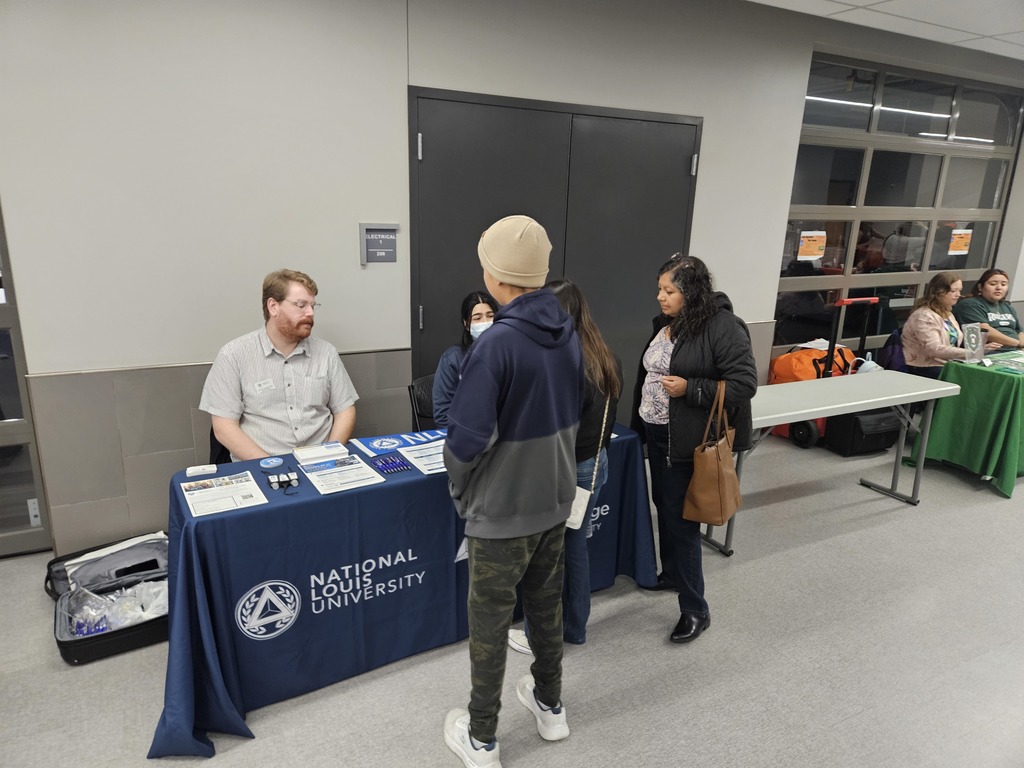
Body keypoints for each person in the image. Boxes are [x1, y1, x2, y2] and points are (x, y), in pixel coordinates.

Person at [442, 215, 584, 768]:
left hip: (502, 513)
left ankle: (481, 739)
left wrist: (462, 496)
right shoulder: (568, 332)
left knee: (490, 625)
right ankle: (551, 707)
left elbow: (465, 441)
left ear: (494, 274)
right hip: (554, 500)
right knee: (546, 610)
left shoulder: (496, 344)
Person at [630, 255, 757, 644]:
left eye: (669, 291)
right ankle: (672, 574)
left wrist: (691, 389)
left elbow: (744, 384)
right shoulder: (669, 324)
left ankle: (695, 608)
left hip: (689, 441)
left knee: (681, 523)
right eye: (659, 290)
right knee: (664, 510)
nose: (660, 297)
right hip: (658, 434)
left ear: (691, 291)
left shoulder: (723, 327)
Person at [507, 278, 622, 656]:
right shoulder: (603, 354)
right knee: (574, 550)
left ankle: (549, 632)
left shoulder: (565, 361)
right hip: (595, 462)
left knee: (553, 556)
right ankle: (574, 627)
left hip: (568, 468)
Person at [200, 268, 358, 460]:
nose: (310, 313)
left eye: (312, 306)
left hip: (321, 462)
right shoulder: (233, 355)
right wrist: (273, 466)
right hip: (262, 465)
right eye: (301, 305)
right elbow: (224, 428)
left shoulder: (326, 353)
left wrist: (329, 454)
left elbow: (345, 409)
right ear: (273, 306)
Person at [902, 271, 998, 378]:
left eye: (959, 290)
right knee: (977, 378)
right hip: (925, 368)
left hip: (946, 364)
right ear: (938, 292)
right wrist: (970, 352)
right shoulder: (924, 316)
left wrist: (981, 349)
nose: (958, 295)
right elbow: (934, 349)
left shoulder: (947, 313)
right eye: (953, 291)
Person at [432, 291, 500, 427]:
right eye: (477, 318)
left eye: (490, 316)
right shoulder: (452, 359)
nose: (485, 322)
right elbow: (442, 414)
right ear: (466, 323)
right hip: (467, 436)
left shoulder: (508, 354)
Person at [952, 268, 1024, 350]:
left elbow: (1020, 331)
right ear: (980, 287)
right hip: (991, 353)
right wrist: (1017, 344)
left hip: (1016, 351)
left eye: (1003, 284)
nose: (999, 288)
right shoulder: (969, 305)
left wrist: (1022, 345)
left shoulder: (1007, 306)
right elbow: (985, 331)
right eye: (993, 284)